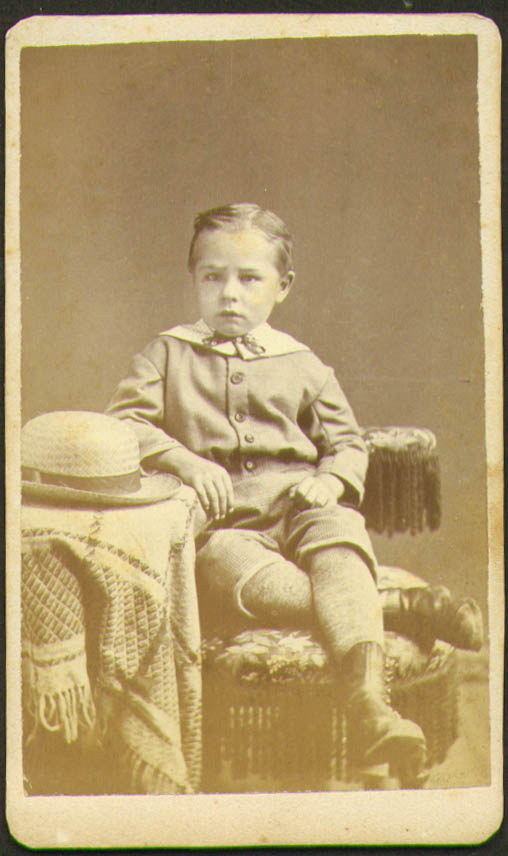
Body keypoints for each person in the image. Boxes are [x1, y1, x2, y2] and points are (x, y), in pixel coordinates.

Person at [106, 202, 429, 777]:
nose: (229, 293)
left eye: (249, 278)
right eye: (213, 276)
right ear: (194, 279)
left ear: (283, 287)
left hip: (301, 504)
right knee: (224, 564)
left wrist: (331, 481)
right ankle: (400, 607)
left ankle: (370, 709)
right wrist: (183, 461)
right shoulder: (167, 353)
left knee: (340, 532)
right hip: (227, 524)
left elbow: (349, 443)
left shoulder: (303, 364)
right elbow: (125, 421)